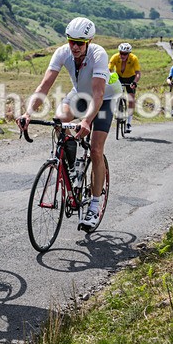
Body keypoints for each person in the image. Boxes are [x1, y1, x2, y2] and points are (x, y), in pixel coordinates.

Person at [18, 17, 122, 229]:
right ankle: (72, 167)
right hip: (80, 94)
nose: (74, 46)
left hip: (105, 98)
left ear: (89, 41)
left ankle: (94, 205)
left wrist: (86, 121)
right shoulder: (62, 53)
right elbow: (44, 85)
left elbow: (99, 93)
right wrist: (28, 113)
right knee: (59, 120)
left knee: (96, 149)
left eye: (79, 43)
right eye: (71, 41)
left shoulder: (98, 54)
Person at [108, 42, 141, 133]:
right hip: (119, 77)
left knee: (131, 100)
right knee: (114, 94)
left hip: (130, 78)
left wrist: (134, 82)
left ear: (129, 53)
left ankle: (129, 123)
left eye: (125, 54)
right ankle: (116, 110)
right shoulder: (115, 57)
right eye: (121, 53)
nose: (122, 55)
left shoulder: (134, 59)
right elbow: (109, 69)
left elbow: (138, 73)